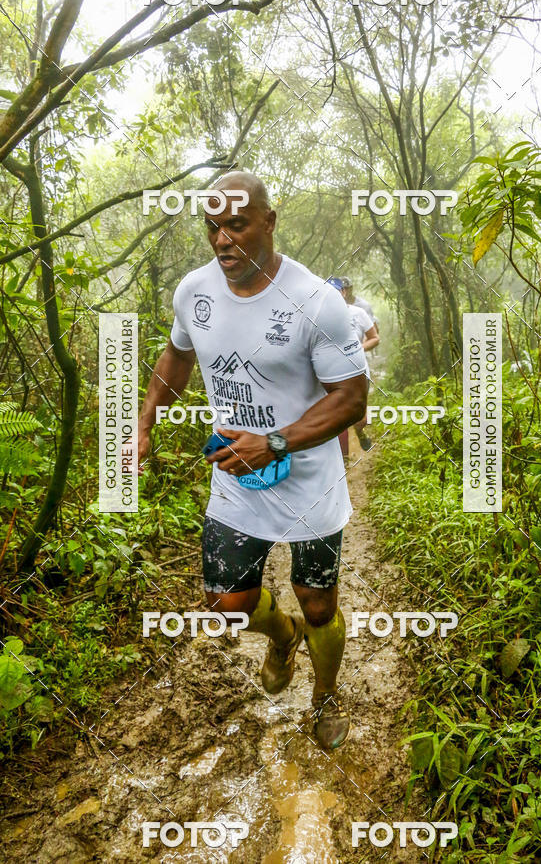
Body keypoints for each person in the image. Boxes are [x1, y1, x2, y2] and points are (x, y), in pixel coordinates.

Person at [138, 172, 368, 750]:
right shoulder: (194, 292)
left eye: (236, 224)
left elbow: (352, 398)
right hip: (236, 479)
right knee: (225, 603)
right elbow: (177, 355)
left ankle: (326, 695)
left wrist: (276, 441)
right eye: (212, 227)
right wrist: (143, 423)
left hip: (310, 481)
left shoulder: (317, 303)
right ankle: (280, 633)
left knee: (319, 604)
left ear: (269, 220)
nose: (222, 240)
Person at [328, 278, 379, 452]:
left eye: (337, 291)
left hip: (358, 369)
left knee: (360, 417)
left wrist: (357, 349)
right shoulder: (319, 315)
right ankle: (343, 458)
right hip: (331, 371)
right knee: (337, 415)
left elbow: (374, 338)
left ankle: (360, 432)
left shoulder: (359, 313)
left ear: (344, 292)